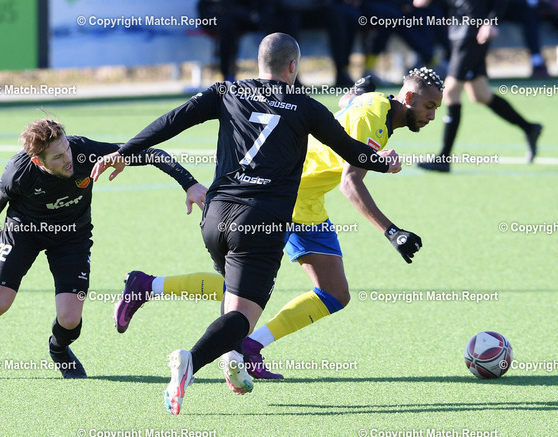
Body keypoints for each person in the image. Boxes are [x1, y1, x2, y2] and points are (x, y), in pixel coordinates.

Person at [90, 32, 401, 414]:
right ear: (293, 66)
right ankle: (190, 361)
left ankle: (233, 361)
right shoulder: (306, 106)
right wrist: (385, 162)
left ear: (259, 62)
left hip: (215, 215)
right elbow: (352, 152)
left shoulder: (226, 91)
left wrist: (124, 152)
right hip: (260, 223)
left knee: (232, 295)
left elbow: (172, 121)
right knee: (241, 317)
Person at [113, 68, 443, 380]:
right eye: (429, 106)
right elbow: (350, 182)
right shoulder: (374, 119)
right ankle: (160, 296)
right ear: (408, 98)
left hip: (308, 201)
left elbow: (346, 106)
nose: (431, 115)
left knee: (333, 292)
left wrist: (353, 95)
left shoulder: (377, 102)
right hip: (287, 197)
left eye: (436, 109)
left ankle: (242, 341)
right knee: (242, 293)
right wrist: (391, 231)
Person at [0, 119, 206, 379]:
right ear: (38, 161)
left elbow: (151, 153)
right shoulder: (19, 171)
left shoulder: (84, 152)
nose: (67, 158)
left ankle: (58, 349)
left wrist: (190, 184)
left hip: (71, 236)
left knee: (70, 320)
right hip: (24, 232)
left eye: (66, 148)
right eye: (57, 157)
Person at [415, 0, 543, 172]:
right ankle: (530, 128)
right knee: (480, 94)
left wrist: (491, 21)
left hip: (473, 30)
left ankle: (444, 158)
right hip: (458, 28)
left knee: (450, 91)